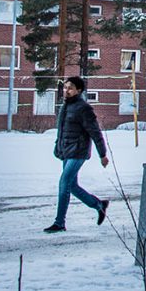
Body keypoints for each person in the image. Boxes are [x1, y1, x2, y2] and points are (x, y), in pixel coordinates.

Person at [47, 75, 110, 232]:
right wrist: (59, 147)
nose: (66, 90)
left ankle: (59, 223)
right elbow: (62, 131)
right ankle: (99, 205)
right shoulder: (65, 106)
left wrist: (102, 154)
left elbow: (95, 132)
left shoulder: (84, 108)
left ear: (78, 90)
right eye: (65, 87)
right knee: (72, 186)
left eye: (70, 88)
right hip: (67, 151)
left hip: (78, 152)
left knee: (64, 183)